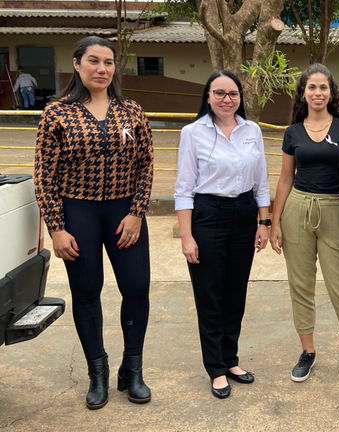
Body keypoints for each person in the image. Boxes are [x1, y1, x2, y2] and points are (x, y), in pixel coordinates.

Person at [34, 36, 154, 409]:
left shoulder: (131, 110)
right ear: (77, 64)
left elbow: (146, 163)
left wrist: (136, 212)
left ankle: (131, 371)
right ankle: (97, 373)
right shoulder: (57, 113)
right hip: (78, 213)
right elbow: (44, 174)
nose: (102, 69)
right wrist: (57, 226)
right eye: (93, 61)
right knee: (87, 292)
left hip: (124, 213)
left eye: (108, 62)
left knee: (135, 288)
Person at [174, 70, 271, 399]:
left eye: (232, 93)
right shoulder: (193, 133)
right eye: (219, 93)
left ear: (240, 97)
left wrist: (264, 222)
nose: (226, 99)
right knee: (210, 294)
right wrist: (187, 236)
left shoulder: (251, 131)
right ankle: (215, 368)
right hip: (208, 216)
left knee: (235, 293)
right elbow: (184, 190)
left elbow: (261, 181)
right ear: (208, 96)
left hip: (244, 216)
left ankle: (230, 359)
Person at [269, 64, 339, 383]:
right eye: (312, 87)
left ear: (331, 93)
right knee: (301, 285)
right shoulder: (292, 131)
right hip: (298, 209)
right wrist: (274, 222)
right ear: (303, 93)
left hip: (336, 209)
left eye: (324, 87)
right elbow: (284, 179)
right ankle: (307, 351)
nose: (318, 93)